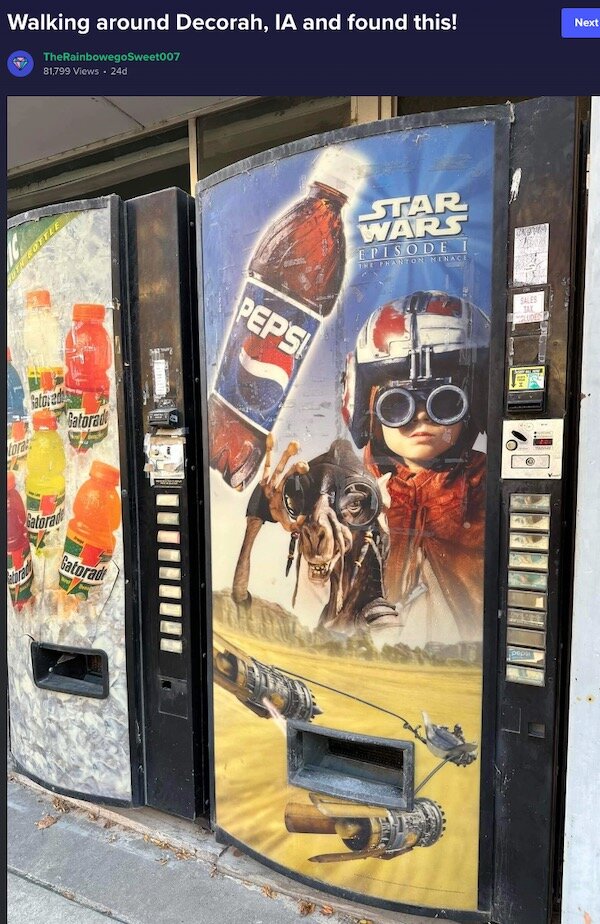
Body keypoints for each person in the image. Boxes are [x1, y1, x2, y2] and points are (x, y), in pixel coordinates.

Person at [341, 290, 489, 647]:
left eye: (446, 402)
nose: (420, 417)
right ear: (366, 407)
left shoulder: (488, 486)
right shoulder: (359, 493)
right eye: (396, 405)